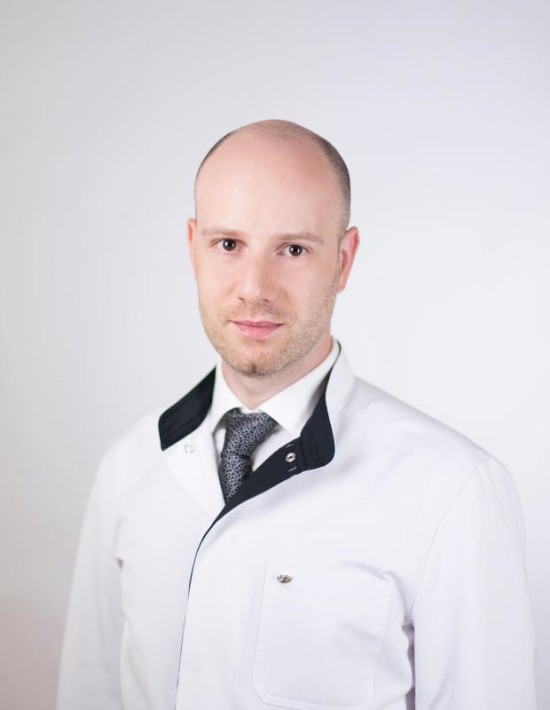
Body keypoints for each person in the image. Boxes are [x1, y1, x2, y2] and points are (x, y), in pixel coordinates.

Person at [56, 120, 537, 710]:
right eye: (228, 245)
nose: (254, 288)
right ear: (193, 248)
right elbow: (89, 694)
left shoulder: (453, 491)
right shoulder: (130, 466)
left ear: (343, 260)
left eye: (293, 249)